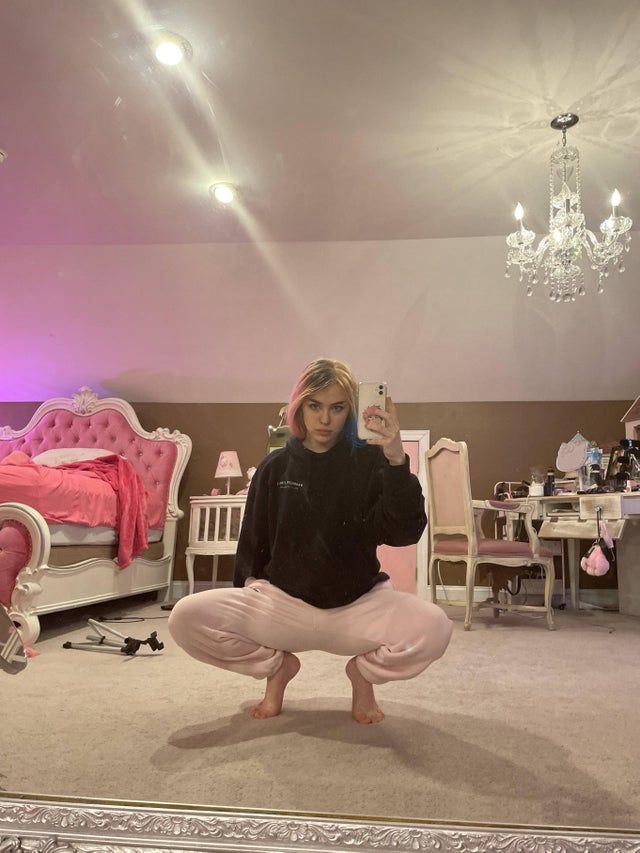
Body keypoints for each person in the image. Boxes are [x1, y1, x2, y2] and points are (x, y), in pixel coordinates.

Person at [169, 358, 452, 724]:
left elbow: (404, 533)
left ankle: (362, 676)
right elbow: (253, 544)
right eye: (314, 406)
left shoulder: (372, 462)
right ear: (299, 407)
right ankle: (277, 669)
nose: (324, 419)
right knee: (184, 618)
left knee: (436, 628)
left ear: (350, 411)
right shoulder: (274, 467)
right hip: (282, 605)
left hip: (357, 605)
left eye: (337, 408)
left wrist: (397, 458)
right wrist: (251, 598)